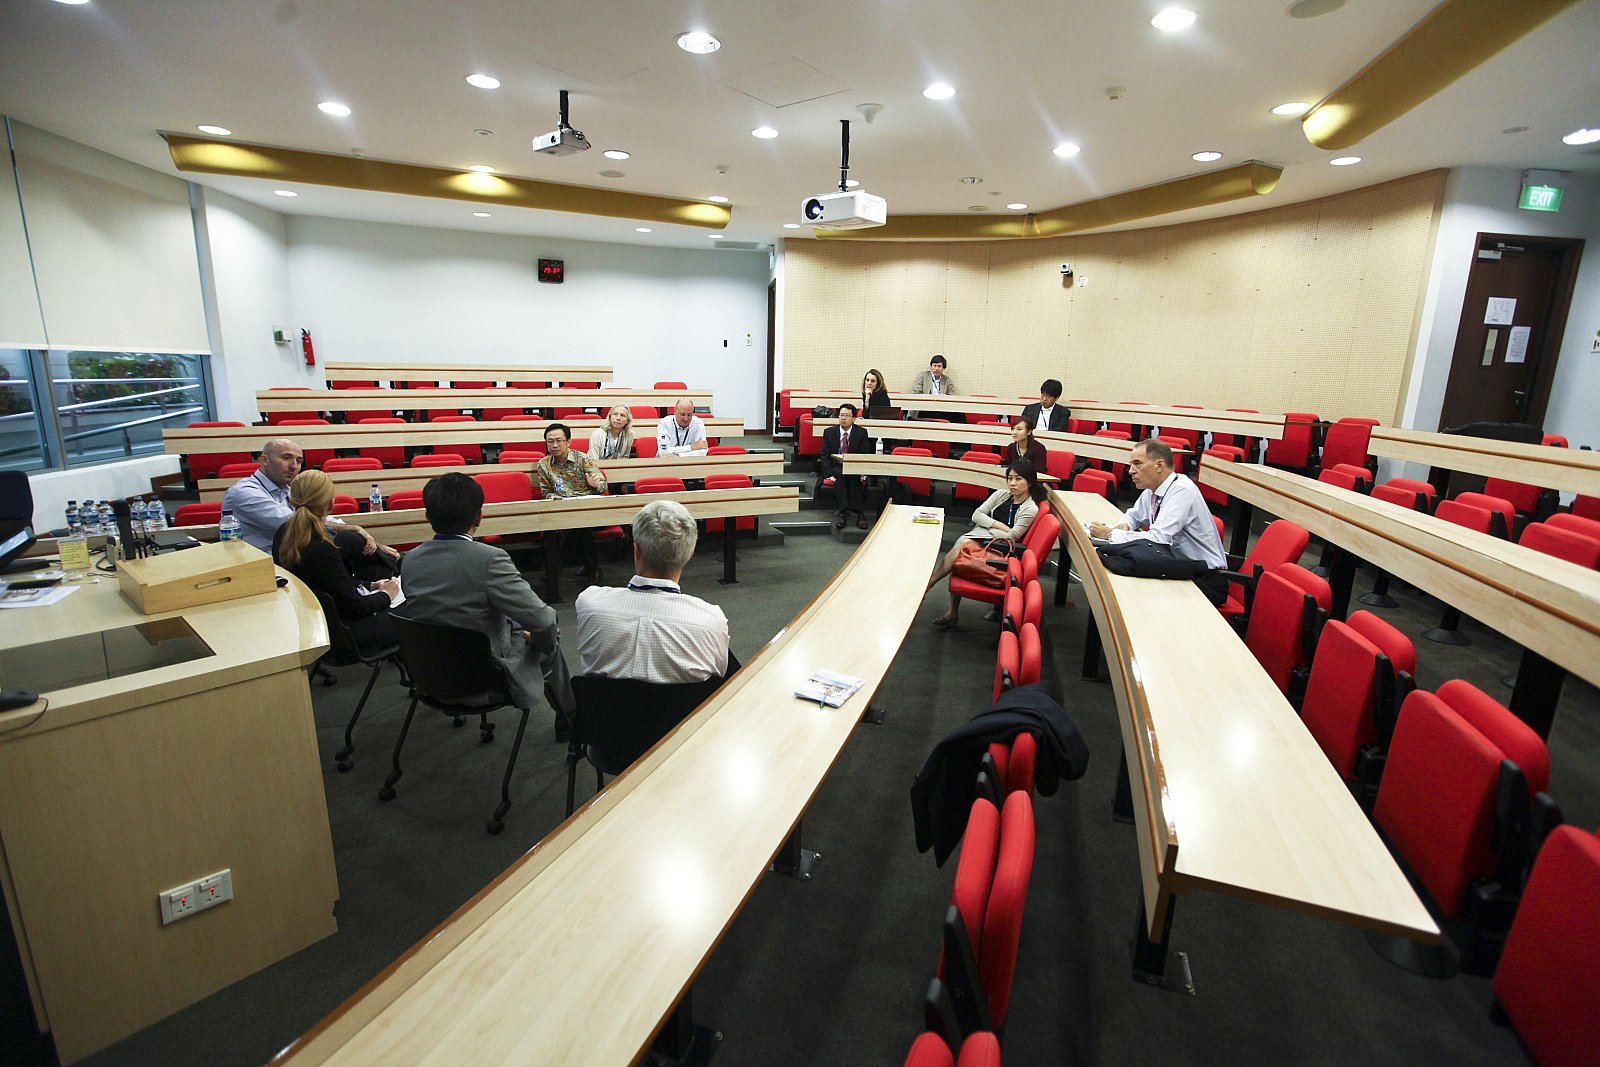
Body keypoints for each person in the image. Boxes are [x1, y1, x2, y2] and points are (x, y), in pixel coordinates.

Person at [399, 472, 574, 724]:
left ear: (427, 517)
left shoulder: (410, 560)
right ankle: (571, 720)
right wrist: (539, 641)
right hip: (486, 681)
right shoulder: (490, 559)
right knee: (549, 637)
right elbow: (544, 620)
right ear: (479, 516)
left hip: (428, 676)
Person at [574, 499, 730, 684]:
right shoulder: (711, 621)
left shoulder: (588, 604)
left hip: (604, 704)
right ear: (690, 554)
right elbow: (720, 680)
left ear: (636, 551)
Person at [222, 437, 397, 574]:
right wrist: (354, 530)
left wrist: (371, 541)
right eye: (286, 458)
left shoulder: (289, 489)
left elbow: (322, 516)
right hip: (266, 567)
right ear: (264, 459)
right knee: (349, 543)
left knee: (363, 556)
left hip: (296, 558)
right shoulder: (244, 493)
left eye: (299, 461)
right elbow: (296, 521)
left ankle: (393, 568)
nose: (294, 466)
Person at [272, 470, 398, 656]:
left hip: (312, 625)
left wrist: (370, 585)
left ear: (291, 501)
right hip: (345, 636)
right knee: (415, 611)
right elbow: (355, 608)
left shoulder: (283, 533)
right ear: (331, 504)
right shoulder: (323, 548)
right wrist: (386, 595)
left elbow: (327, 583)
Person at [1087, 437, 1227, 600]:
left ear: (1159, 465)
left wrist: (1110, 534)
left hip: (1205, 578)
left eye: (1137, 464)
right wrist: (1125, 523)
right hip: (1178, 566)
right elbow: (1134, 515)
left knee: (1131, 592)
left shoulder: (1182, 490)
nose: (1131, 471)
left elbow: (1158, 539)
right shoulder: (1153, 488)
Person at [926, 459, 1045, 628]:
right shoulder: (1001, 494)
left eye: (1018, 479)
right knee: (963, 546)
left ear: (1030, 482)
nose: (1012, 483)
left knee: (962, 546)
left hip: (1000, 549)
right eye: (1010, 478)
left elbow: (1012, 537)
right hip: (985, 537)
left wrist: (988, 526)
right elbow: (976, 515)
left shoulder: (1030, 509)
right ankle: (949, 608)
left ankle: (933, 585)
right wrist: (999, 526)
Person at [533, 422, 607, 595]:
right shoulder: (543, 464)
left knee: (581, 526)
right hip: (561, 510)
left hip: (587, 508)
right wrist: (557, 500)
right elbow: (546, 492)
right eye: (550, 441)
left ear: (568, 442)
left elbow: (602, 485)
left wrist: (595, 484)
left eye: (559, 440)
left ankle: (556, 566)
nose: (555, 445)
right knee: (578, 528)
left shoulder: (582, 459)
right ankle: (592, 568)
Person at [821, 402, 871, 529]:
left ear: (854, 418)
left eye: (847, 415)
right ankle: (846, 512)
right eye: (841, 415)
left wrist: (863, 473)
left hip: (854, 466)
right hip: (837, 466)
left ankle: (856, 513)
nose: (843, 418)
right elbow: (824, 456)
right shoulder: (829, 432)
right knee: (842, 474)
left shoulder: (861, 432)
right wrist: (829, 475)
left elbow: (864, 454)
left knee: (852, 475)